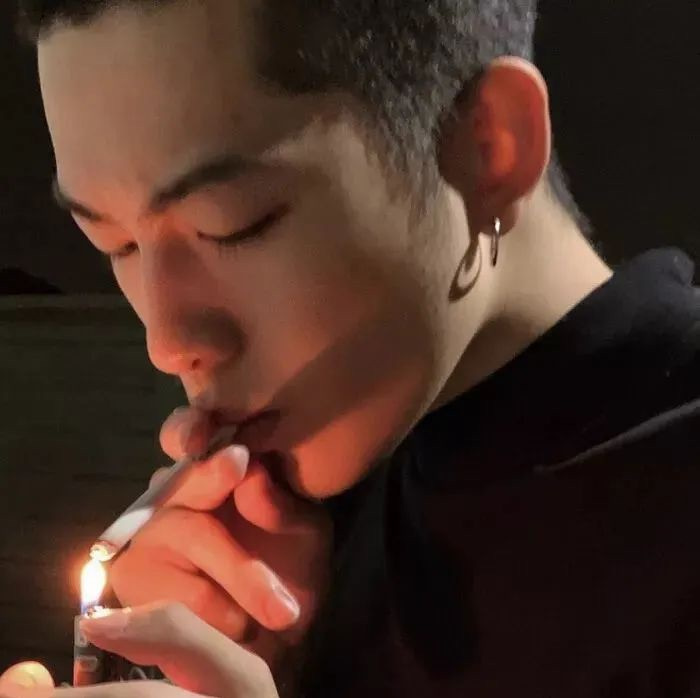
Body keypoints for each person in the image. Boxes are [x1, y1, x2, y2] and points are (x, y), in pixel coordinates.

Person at [3, 0, 699, 696]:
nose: (167, 343)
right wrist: (272, 663)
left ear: (490, 149)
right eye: (115, 245)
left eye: (233, 224)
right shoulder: (303, 520)